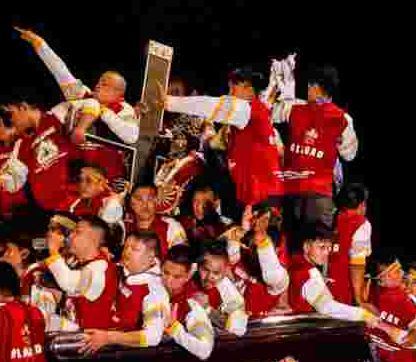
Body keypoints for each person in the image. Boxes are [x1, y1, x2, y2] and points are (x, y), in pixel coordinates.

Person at [17, 27, 138, 183]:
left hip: (107, 176)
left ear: (119, 95)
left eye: (105, 84)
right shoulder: (83, 94)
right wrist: (40, 44)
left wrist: (102, 111)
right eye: (99, 81)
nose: (98, 85)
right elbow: (60, 71)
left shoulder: (124, 108)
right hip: (77, 171)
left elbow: (132, 136)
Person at [156, 68, 283, 208]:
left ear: (248, 88)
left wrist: (170, 102)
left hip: (262, 196)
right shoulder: (251, 118)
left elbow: (211, 105)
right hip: (256, 194)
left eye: (233, 89)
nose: (229, 95)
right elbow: (213, 144)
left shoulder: (248, 110)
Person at [272, 64, 359, 232]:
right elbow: (349, 154)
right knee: (317, 246)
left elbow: (269, 112)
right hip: (317, 194)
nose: (307, 88)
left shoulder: (294, 108)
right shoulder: (343, 118)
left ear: (317, 87)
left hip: (293, 191)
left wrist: (276, 85)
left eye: (310, 85)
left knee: (293, 246)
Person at [78, 232, 171, 355]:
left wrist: (108, 337)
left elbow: (152, 337)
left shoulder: (155, 291)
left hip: (128, 357)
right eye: (126, 246)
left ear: (152, 257)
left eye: (134, 249)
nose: (127, 252)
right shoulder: (122, 270)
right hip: (98, 339)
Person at [43, 215, 121, 330]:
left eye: (77, 232)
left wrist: (53, 249)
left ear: (94, 239)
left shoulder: (100, 267)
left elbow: (67, 282)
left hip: (91, 342)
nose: (70, 236)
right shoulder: (82, 264)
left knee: (39, 319)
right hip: (77, 335)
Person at [160, 244, 215, 361]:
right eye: (165, 273)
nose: (168, 281)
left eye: (177, 277)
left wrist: (174, 328)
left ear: (188, 276)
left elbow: (205, 349)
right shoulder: (151, 283)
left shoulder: (192, 305)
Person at [326, 183, 372, 307]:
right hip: (341, 289)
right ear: (362, 204)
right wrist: (359, 299)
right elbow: (357, 264)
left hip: (319, 285)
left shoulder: (329, 216)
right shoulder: (361, 224)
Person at [125, 183, 188, 261]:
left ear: (157, 201)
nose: (145, 205)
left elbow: (183, 260)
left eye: (150, 199)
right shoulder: (124, 226)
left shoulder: (171, 226)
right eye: (139, 199)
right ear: (131, 203)